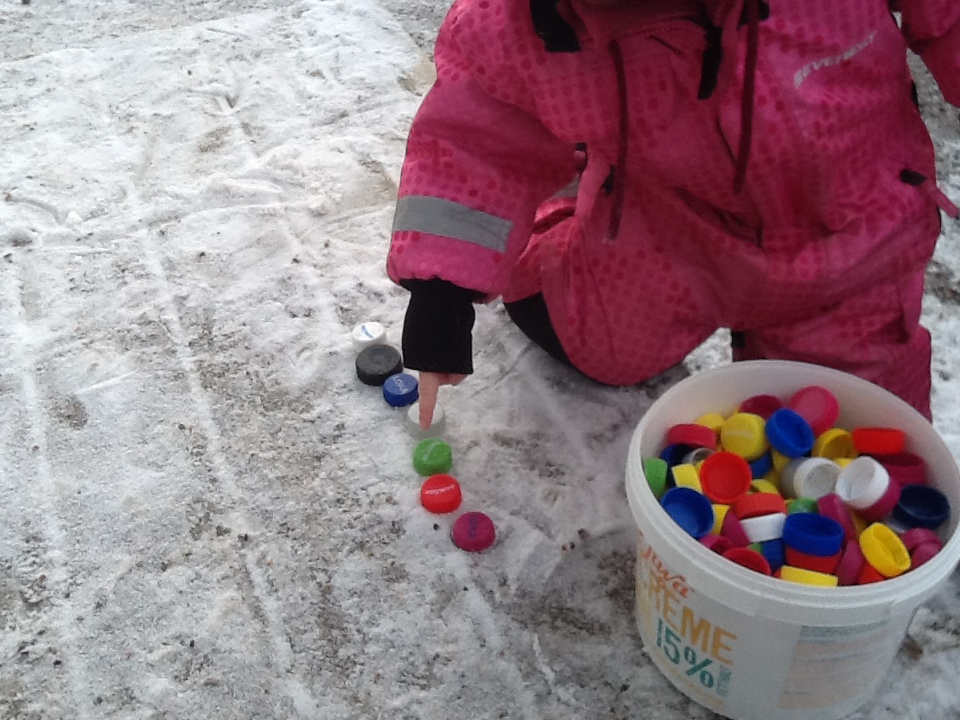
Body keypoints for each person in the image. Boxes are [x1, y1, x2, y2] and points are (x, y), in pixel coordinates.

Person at [386, 0, 960, 429]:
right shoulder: (528, 21)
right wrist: (443, 291)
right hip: (668, 236)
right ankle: (561, 236)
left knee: (858, 440)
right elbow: (479, 139)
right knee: (589, 338)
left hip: (853, 244)